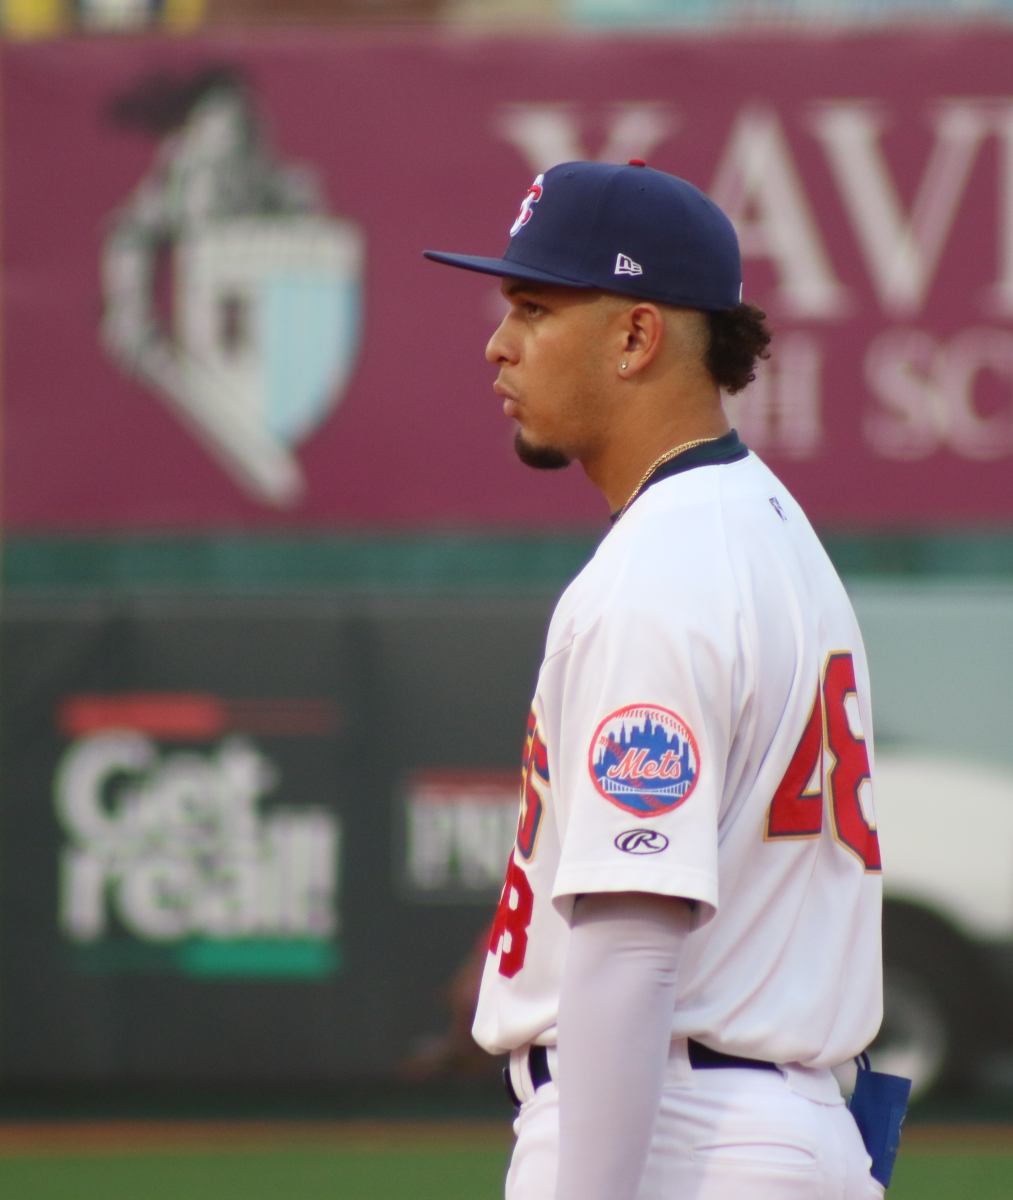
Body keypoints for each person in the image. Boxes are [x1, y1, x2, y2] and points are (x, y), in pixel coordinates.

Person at [423, 160, 885, 1200]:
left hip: (675, 1134)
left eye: (535, 308)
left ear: (636, 337)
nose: (499, 343)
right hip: (783, 1121)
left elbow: (630, 949)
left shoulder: (658, 576)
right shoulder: (771, 530)